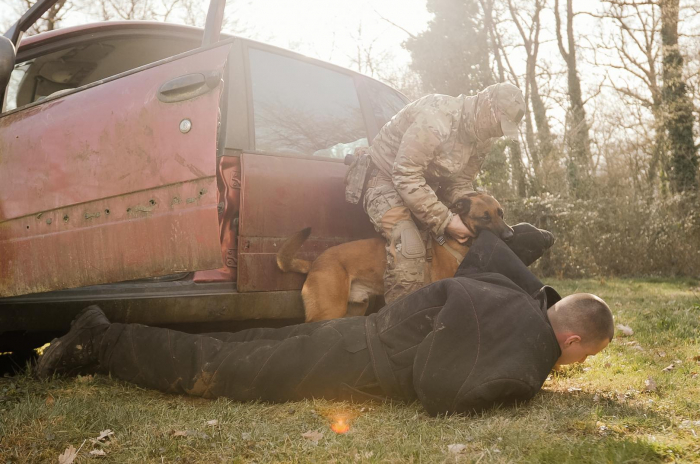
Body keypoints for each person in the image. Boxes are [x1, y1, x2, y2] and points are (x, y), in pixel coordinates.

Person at [36, 224, 613, 416]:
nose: (573, 364)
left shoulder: (514, 289)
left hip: (359, 331)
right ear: (570, 338)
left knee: (255, 340)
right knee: (226, 369)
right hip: (358, 359)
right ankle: (100, 341)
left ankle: (105, 336)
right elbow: (441, 390)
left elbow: (484, 255)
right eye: (583, 355)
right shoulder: (530, 351)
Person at [362, 82, 526, 304]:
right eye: (500, 124)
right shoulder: (436, 118)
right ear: (489, 107)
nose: (498, 132)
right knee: (409, 245)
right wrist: (446, 220)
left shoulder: (482, 138)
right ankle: (399, 327)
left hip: (423, 189)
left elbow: (460, 183)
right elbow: (405, 174)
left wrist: (467, 212)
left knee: (458, 241)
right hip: (384, 180)